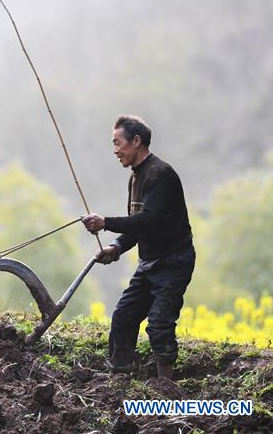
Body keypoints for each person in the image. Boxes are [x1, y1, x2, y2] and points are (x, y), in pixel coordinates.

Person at [82, 115, 195, 381]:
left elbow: (148, 220)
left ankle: (165, 388)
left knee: (159, 324)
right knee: (124, 316)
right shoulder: (135, 178)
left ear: (136, 141)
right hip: (149, 264)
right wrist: (116, 246)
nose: (115, 150)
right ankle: (119, 377)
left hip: (173, 262)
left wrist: (106, 223)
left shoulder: (160, 174)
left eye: (117, 143)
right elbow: (138, 227)